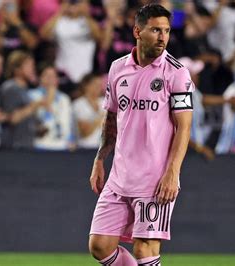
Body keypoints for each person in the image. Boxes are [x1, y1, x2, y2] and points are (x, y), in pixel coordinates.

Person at [88, 4, 194, 266]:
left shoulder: (176, 72)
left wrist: (173, 172)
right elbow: (111, 117)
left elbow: (184, 127)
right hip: (120, 175)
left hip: (155, 179)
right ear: (137, 31)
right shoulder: (117, 69)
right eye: (156, 30)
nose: (162, 37)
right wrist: (100, 158)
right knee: (100, 245)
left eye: (167, 31)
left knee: (145, 249)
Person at [0, 50, 45, 149]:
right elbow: (13, 118)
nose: (32, 69)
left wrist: (39, 128)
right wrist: (35, 105)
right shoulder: (10, 88)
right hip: (14, 146)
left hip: (27, 145)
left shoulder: (25, 90)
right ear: (17, 69)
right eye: (29, 66)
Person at [29, 64, 74, 150]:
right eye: (47, 75)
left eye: (54, 76)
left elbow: (69, 123)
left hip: (62, 146)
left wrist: (71, 140)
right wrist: (49, 99)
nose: (51, 79)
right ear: (40, 78)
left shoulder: (64, 98)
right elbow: (37, 121)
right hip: (40, 145)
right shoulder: (32, 95)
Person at [72, 73, 105, 149]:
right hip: (85, 149)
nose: (98, 87)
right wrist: (100, 118)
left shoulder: (105, 102)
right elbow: (85, 133)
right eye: (95, 84)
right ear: (86, 86)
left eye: (100, 85)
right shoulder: (78, 104)